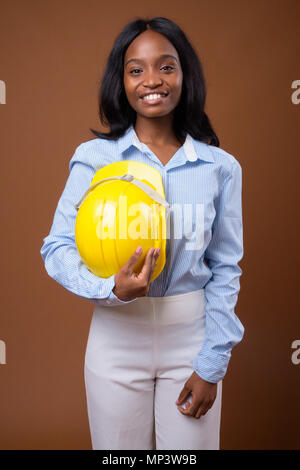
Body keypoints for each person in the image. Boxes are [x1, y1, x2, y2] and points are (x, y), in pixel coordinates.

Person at [40, 16, 245, 450]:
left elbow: (227, 268)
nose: (152, 80)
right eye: (137, 69)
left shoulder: (220, 167)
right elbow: (56, 247)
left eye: (166, 66)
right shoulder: (94, 158)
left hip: (192, 336)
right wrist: (109, 288)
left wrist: (213, 363)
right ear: (122, 80)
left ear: (185, 75)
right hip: (116, 335)